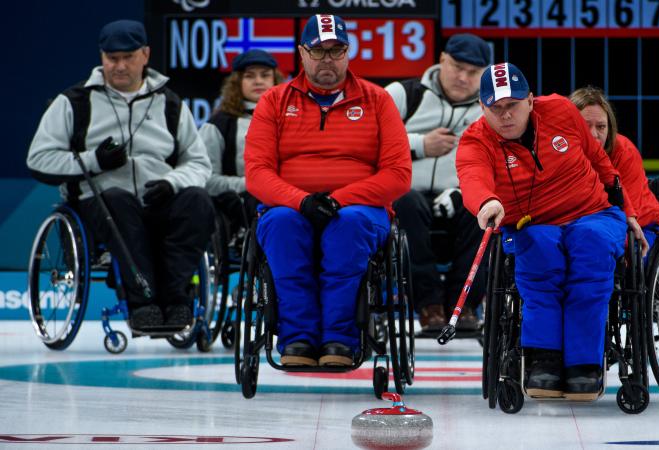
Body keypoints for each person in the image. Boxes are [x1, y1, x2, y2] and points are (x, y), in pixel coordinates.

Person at [456, 63, 642, 400]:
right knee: (538, 251)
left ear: (530, 100)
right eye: (495, 109)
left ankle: (584, 365)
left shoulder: (560, 110)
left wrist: (628, 213)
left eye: (512, 105)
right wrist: (487, 202)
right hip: (532, 222)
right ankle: (544, 361)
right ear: (481, 108)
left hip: (592, 213)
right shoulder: (474, 141)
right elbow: (473, 177)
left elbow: (600, 162)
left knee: (591, 244)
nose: (505, 116)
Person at [244, 14, 411, 367]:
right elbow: (257, 174)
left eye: (336, 51)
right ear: (301, 54)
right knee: (281, 225)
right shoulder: (273, 101)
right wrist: (301, 201)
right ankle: (298, 340)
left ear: (348, 53)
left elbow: (398, 176)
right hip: (292, 207)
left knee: (347, 224)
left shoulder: (378, 100)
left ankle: (339, 338)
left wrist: (339, 199)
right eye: (318, 52)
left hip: (357, 209)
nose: (327, 60)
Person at [27, 20, 214, 330]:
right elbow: (39, 159)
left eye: (128, 57)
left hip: (158, 200)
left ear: (145, 55)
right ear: (102, 57)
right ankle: (143, 304)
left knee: (197, 201)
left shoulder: (170, 103)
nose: (120, 65)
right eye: (112, 58)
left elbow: (199, 163)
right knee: (118, 201)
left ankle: (177, 300)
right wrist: (94, 160)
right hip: (101, 205)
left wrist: (172, 183)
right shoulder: (74, 102)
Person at [385, 34, 490, 333]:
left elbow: (501, 156)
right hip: (406, 194)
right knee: (406, 201)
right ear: (442, 59)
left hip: (457, 195)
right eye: (456, 66)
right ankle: (429, 305)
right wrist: (419, 144)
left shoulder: (490, 108)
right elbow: (368, 141)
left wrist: (464, 190)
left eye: (473, 72)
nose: (462, 77)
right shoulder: (404, 94)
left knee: (481, 208)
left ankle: (465, 304)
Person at [570, 86, 659, 256]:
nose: (594, 134)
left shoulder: (624, 152)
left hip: (641, 227)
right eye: (586, 126)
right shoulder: (559, 153)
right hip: (587, 227)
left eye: (601, 127)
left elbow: (629, 214)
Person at [200, 49, 284, 232]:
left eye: (265, 75)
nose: (258, 81)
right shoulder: (219, 125)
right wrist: (253, 184)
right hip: (242, 206)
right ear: (238, 82)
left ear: (275, 80)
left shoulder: (292, 119)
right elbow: (205, 179)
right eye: (250, 76)